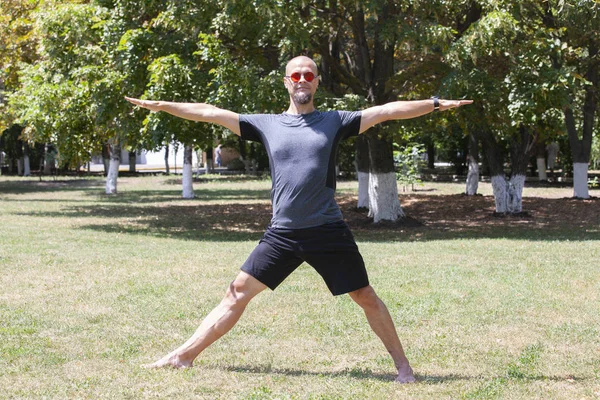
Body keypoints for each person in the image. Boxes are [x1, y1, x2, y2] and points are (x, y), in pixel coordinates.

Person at [125, 55, 472, 383]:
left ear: (317, 82)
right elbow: (209, 113)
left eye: (309, 74)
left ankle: (404, 368)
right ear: (286, 82)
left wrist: (436, 103)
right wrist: (162, 106)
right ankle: (182, 356)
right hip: (283, 234)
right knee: (236, 294)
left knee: (365, 295)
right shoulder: (266, 124)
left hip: (327, 230)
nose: (302, 79)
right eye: (296, 75)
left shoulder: (335, 121)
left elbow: (386, 111)